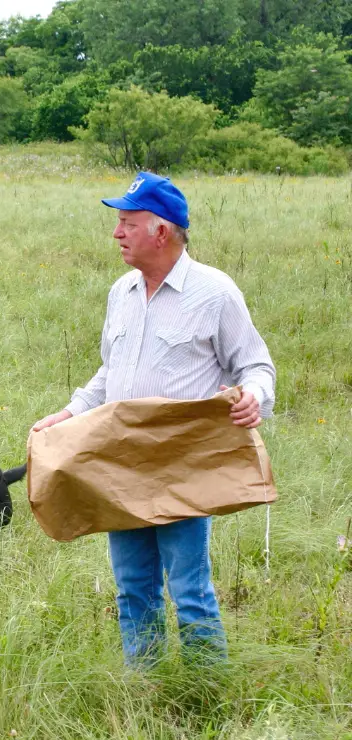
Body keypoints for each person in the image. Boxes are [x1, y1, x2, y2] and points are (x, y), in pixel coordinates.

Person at [32, 171, 276, 667]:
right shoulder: (121, 292)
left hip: (182, 461)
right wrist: (71, 411)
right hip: (121, 461)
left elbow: (255, 364)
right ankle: (144, 684)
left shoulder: (214, 293)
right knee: (132, 586)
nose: (117, 233)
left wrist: (254, 395)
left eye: (127, 222)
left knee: (189, 588)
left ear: (160, 231)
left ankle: (207, 690)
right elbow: (109, 370)